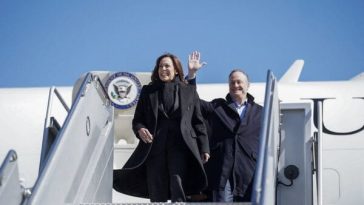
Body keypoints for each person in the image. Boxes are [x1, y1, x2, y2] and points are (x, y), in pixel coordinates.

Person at [113, 53, 210, 202]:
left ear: (176, 70)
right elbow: (137, 120)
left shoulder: (189, 91)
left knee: (177, 184)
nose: (163, 69)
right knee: (156, 188)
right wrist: (140, 129)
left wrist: (204, 148)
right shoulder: (148, 91)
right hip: (154, 149)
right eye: (160, 66)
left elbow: (198, 121)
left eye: (167, 66)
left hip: (180, 148)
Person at [187, 51, 263, 202]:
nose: (235, 85)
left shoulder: (260, 112)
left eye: (239, 82)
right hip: (223, 171)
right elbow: (193, 102)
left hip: (250, 171)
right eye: (232, 82)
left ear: (248, 85)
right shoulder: (218, 106)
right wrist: (191, 75)